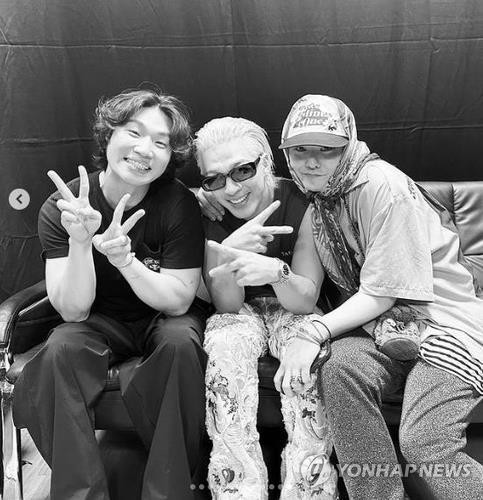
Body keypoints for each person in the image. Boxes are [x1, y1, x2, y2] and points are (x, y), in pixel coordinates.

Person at [278, 94, 483, 499]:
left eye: (327, 149)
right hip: (387, 331)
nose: (312, 162)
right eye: (300, 150)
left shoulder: (380, 184)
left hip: (445, 328)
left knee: (424, 440)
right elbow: (307, 289)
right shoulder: (322, 202)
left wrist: (311, 333)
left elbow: (381, 293)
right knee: (341, 367)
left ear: (348, 146)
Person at [13, 88, 209, 500]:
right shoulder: (63, 206)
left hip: (162, 318)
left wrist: (126, 261)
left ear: (170, 157)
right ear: (108, 136)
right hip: (97, 320)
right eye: (134, 133)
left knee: (181, 344)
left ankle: (169, 492)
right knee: (59, 352)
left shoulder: (178, 204)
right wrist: (81, 241)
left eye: (160, 143)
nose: (145, 150)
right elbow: (73, 310)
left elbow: (178, 301)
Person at [194, 117, 338, 500]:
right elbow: (227, 304)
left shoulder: (301, 202)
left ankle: (309, 491)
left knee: (307, 356)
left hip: (291, 306)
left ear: (265, 161)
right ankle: (237, 491)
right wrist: (229, 253)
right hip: (239, 310)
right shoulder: (207, 211)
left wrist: (275, 271)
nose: (231, 188)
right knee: (224, 345)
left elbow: (304, 300)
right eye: (214, 178)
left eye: (243, 170)